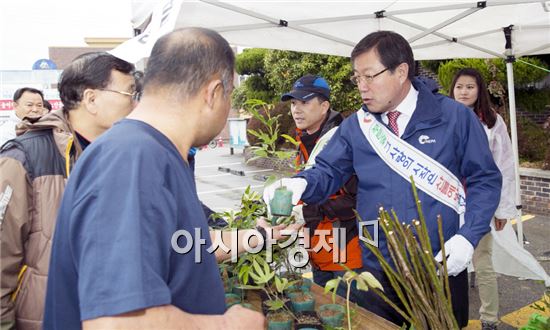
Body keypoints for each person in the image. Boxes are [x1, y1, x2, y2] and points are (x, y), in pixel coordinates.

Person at [44, 28, 299, 329]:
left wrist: (258, 238)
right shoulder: (132, 158)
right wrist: (228, 325)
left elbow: (183, 245)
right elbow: (117, 323)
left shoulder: (155, 153)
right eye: (230, 94)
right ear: (214, 92)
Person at [264, 31, 502, 327]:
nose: (361, 87)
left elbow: (485, 180)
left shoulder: (454, 118)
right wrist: (301, 183)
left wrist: (469, 237)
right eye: (356, 78)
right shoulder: (357, 126)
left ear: (401, 71)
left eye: (369, 76)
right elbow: (328, 171)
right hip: (375, 267)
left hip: (439, 263)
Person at [0, 52, 137, 330]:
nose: (135, 103)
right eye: (129, 92)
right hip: (42, 317)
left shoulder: (124, 153)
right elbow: (3, 252)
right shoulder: (25, 157)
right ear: (92, 99)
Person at [450, 68, 517, 330]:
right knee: (445, 261)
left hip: (479, 203)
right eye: (459, 87)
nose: (464, 92)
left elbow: (504, 165)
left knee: (482, 260)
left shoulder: (492, 121)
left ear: (479, 91)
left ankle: (489, 318)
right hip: (447, 201)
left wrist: (501, 209)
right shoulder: (443, 117)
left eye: (470, 87)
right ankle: (447, 315)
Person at [280, 74, 362, 287]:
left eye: (305, 102)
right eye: (293, 103)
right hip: (318, 252)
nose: (296, 109)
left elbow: (358, 199)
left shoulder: (342, 142)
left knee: (350, 316)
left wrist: (307, 211)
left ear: (324, 106)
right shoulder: (305, 140)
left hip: (346, 255)